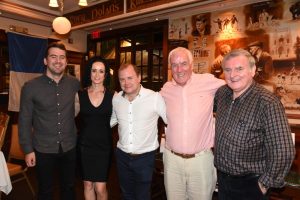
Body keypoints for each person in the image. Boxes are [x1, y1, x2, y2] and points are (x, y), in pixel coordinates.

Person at [214, 49, 295, 200]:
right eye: (228, 70)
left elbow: (283, 150)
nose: (233, 75)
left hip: (251, 185)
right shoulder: (222, 94)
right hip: (223, 180)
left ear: (252, 70)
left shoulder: (268, 102)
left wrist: (264, 184)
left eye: (239, 69)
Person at [160, 47, 225, 200]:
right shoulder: (166, 89)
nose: (179, 69)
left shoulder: (207, 81)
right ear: (170, 68)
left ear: (191, 65)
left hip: (201, 161)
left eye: (183, 63)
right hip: (172, 161)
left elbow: (235, 86)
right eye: (174, 65)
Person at [19, 42, 80, 200]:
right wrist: (27, 149)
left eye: (62, 57)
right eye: (53, 57)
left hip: (69, 146)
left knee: (69, 188)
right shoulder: (30, 87)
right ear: (45, 60)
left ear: (66, 62)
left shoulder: (74, 84)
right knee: (45, 191)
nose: (58, 61)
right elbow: (24, 120)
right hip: (43, 148)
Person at [110, 64, 167, 200]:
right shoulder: (116, 99)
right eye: (122, 79)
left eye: (130, 78)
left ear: (139, 78)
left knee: (142, 196)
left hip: (145, 158)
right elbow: (112, 120)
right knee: (125, 194)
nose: (126, 83)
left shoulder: (154, 98)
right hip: (122, 156)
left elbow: (169, 120)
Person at [77, 56, 113, 200]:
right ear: (89, 73)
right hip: (85, 146)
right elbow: (66, 116)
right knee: (87, 185)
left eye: (101, 71)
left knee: (100, 187)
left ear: (105, 74)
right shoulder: (79, 95)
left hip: (104, 147)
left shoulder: (113, 96)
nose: (97, 75)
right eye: (94, 71)